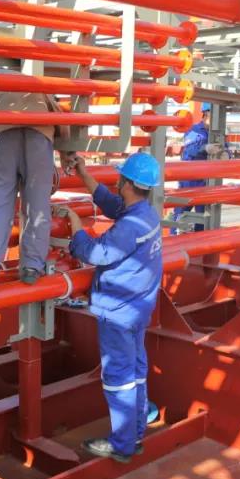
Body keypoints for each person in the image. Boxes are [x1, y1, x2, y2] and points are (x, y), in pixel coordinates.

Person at [55, 152, 163, 462]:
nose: (116, 183)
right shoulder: (145, 213)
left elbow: (94, 253)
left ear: (127, 183)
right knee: (136, 370)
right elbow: (111, 204)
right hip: (139, 306)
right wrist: (83, 174)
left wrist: (75, 225)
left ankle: (123, 444)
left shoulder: (129, 228)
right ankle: (136, 432)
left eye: (119, 179)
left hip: (119, 311)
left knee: (119, 377)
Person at [0, 87, 69, 292]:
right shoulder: (39, 82)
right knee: (38, 206)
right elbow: (60, 118)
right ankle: (32, 267)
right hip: (39, 137)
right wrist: (67, 150)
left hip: (1, 135)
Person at [173, 102, 222, 232]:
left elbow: (225, 148)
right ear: (206, 113)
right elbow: (190, 149)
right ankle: (173, 237)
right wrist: (204, 148)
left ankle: (200, 240)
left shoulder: (218, 132)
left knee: (204, 218)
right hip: (189, 180)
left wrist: (226, 154)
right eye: (214, 113)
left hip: (207, 181)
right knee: (180, 214)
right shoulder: (194, 130)